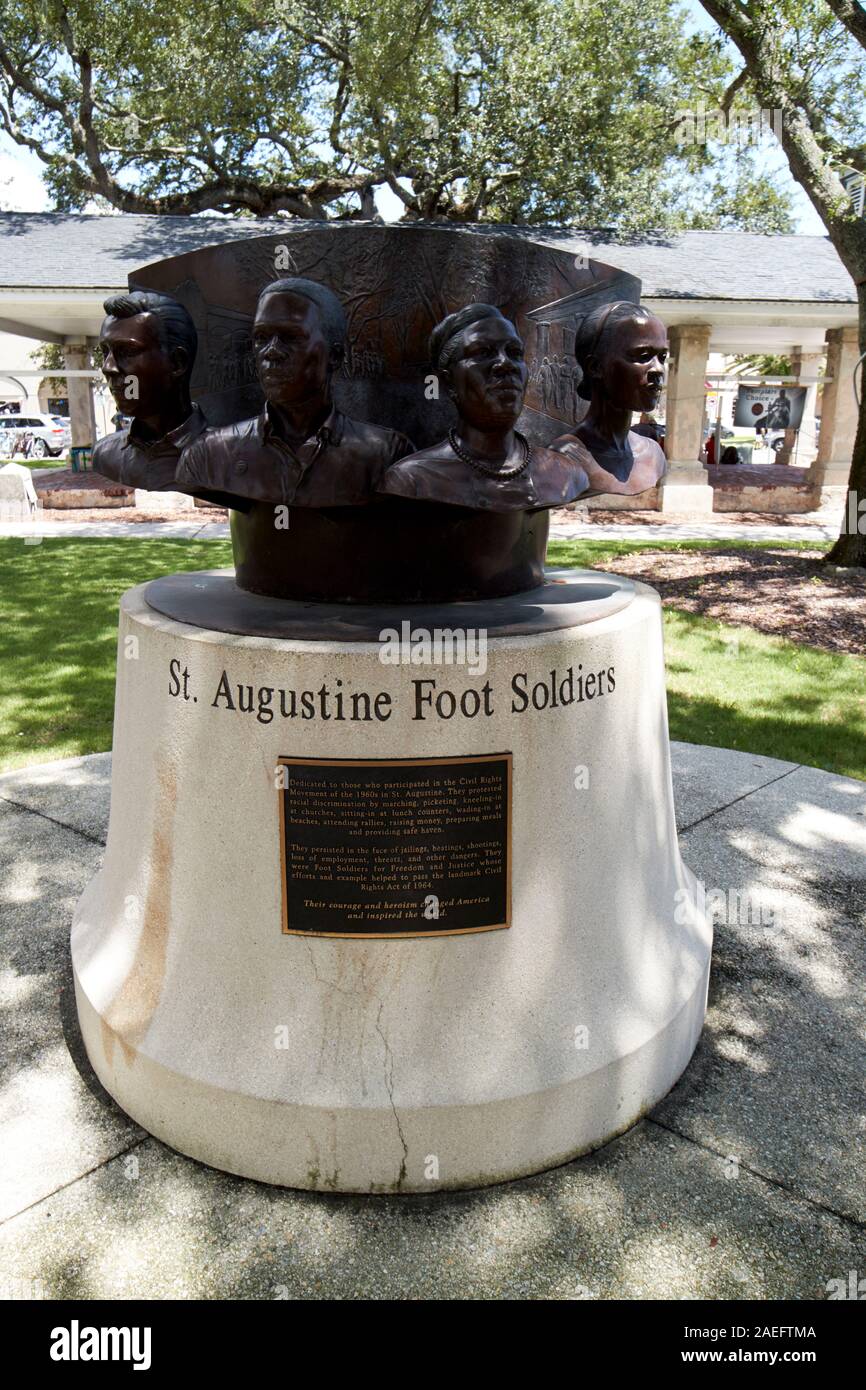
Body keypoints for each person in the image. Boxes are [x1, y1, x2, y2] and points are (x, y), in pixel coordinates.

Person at [177, 277, 413, 506]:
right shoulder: (207, 456)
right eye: (261, 338)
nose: (271, 352)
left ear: (335, 355)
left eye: (291, 337)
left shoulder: (387, 455)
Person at [379, 304, 591, 510]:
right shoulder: (413, 480)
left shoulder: (567, 473)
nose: (505, 364)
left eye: (515, 352)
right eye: (482, 352)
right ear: (449, 382)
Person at [550, 301, 668, 495]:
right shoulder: (562, 458)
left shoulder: (654, 455)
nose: (658, 369)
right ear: (595, 367)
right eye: (643, 356)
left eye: (662, 357)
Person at [92, 290, 206, 490]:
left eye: (127, 352)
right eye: (105, 352)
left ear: (177, 362)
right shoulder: (105, 455)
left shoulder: (229, 456)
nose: (108, 367)